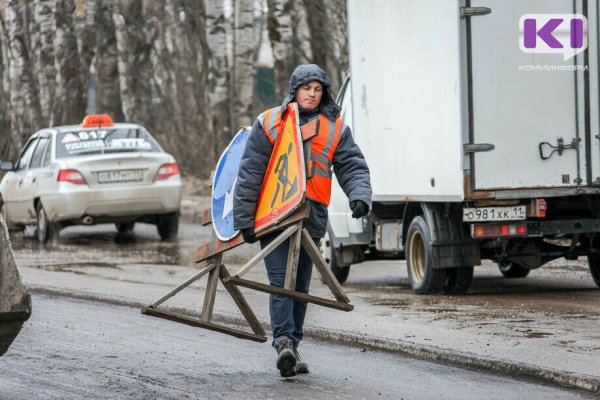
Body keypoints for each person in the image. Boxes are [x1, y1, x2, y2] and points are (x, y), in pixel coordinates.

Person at [233, 64, 371, 377]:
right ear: (294, 89)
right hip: (274, 216)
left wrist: (359, 196)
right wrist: (245, 219)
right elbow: (250, 173)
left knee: (301, 285)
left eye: (317, 89)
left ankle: (292, 348)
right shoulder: (270, 122)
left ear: (324, 93)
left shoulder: (334, 127)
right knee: (282, 281)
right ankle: (282, 340)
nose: (311, 94)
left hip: (312, 218)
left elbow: (352, 166)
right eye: (306, 88)